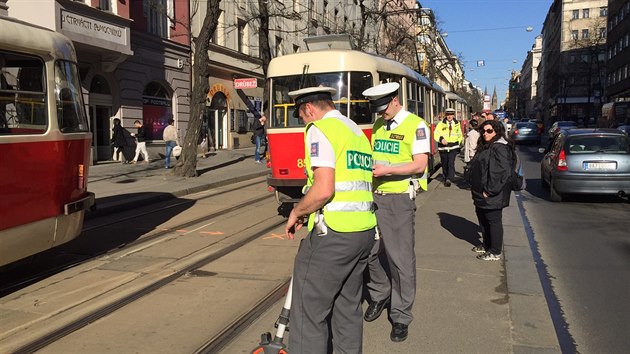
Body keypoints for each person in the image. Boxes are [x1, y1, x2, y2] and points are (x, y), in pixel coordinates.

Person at [284, 86, 377, 354]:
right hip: (363, 230)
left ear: (309, 109)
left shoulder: (320, 129)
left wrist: (297, 211)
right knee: (347, 308)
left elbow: (324, 188)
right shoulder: (355, 130)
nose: (303, 122)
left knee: (307, 313)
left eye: (301, 117)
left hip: (334, 237)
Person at [362, 82, 430, 343]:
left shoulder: (417, 125)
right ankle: (381, 294)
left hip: (398, 198)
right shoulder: (380, 125)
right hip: (374, 195)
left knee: (400, 259)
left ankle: (401, 315)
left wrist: (387, 171)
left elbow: (420, 165)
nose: (381, 115)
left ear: (394, 100)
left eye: (383, 109)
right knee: (369, 253)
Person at [466, 119, 514, 261]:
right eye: (483, 131)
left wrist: (490, 191)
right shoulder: (487, 145)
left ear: (497, 131)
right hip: (480, 191)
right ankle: (487, 245)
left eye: (489, 131)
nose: (485, 133)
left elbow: (501, 172)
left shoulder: (500, 148)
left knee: (493, 221)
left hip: (491, 193)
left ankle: (495, 251)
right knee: (483, 219)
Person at [434, 108, 463, 187]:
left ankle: (449, 179)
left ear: (453, 115)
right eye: (448, 115)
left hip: (453, 147)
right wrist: (441, 139)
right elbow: (436, 133)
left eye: (451, 114)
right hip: (443, 148)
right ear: (446, 115)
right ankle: (445, 176)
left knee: (451, 162)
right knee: (444, 163)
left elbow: (460, 134)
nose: (449, 116)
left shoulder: (457, 124)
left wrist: (459, 142)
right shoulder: (441, 124)